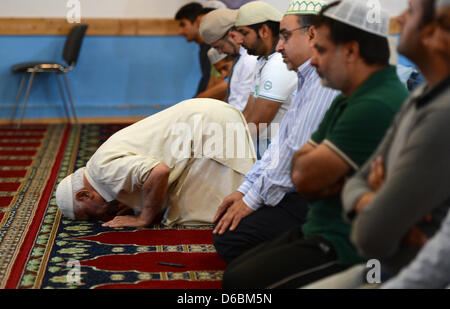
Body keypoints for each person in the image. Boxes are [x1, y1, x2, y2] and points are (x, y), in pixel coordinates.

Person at [221, 0, 409, 289]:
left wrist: (314, 168)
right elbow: (294, 154)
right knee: (237, 266)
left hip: (343, 241)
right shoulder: (349, 94)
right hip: (321, 221)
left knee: (239, 280)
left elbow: (304, 176)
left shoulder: (371, 103)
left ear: (350, 51)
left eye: (321, 50)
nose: (315, 60)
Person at [211, 0, 339, 264]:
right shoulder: (302, 75)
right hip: (283, 176)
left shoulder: (321, 81)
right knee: (227, 228)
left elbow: (291, 152)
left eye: (286, 37)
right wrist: (246, 189)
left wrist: (252, 198)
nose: (281, 46)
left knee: (231, 238)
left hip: (311, 196)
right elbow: (281, 143)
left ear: (312, 34)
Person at [55, 99, 256, 228]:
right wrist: (136, 202)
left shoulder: (102, 171)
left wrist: (143, 218)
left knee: (207, 215)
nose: (99, 219)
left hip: (208, 125)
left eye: (89, 214)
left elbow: (159, 171)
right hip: (209, 117)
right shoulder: (97, 168)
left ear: (84, 194)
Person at [234, 1, 298, 156]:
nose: (239, 40)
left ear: (263, 30)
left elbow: (257, 124)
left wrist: (222, 146)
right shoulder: (263, 60)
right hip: (262, 145)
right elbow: (248, 112)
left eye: (244, 33)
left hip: (277, 150)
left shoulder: (279, 63)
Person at [199, 8, 258, 112]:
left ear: (231, 35)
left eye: (219, 47)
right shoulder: (240, 59)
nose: (220, 52)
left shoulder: (250, 59)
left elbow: (245, 108)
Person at [175, 2, 217, 97]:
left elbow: (221, 83)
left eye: (183, 25)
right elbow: (207, 80)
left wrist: (195, 103)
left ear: (197, 23)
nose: (180, 32)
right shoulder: (203, 48)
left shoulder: (213, 47)